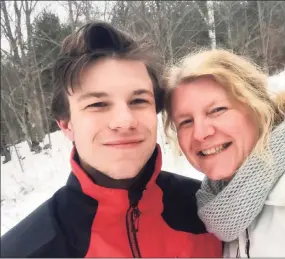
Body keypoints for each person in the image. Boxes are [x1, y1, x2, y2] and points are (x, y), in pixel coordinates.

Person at [0, 23, 222, 257]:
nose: (124, 121)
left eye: (138, 101)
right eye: (97, 104)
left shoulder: (212, 215)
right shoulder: (22, 252)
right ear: (66, 124)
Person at [163, 49, 285, 257]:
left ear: (256, 105)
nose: (200, 133)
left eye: (217, 110)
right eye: (186, 122)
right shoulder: (220, 210)